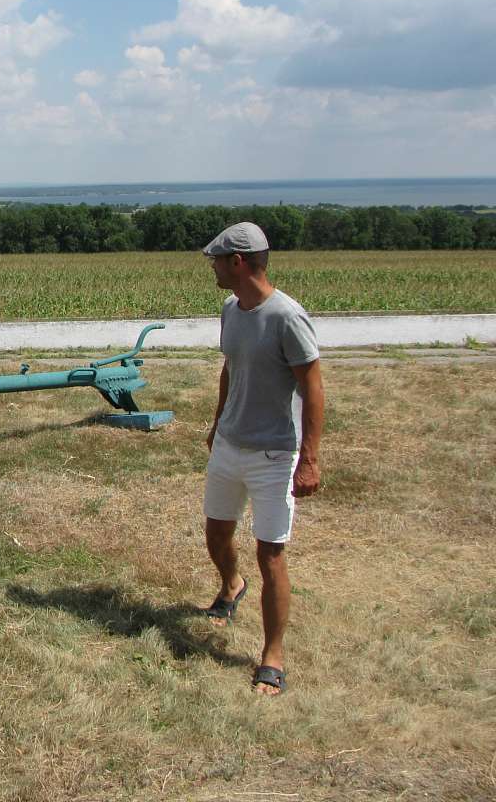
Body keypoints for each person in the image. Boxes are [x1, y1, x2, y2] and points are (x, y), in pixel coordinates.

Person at [201, 222, 324, 696]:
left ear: (238, 262)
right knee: (216, 532)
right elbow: (231, 368)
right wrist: (217, 423)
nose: (211, 266)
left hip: (275, 452)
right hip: (231, 444)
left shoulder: (287, 317)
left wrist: (308, 459)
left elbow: (313, 388)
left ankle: (272, 656)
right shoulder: (231, 309)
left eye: (216, 259)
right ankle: (231, 585)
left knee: (270, 554)